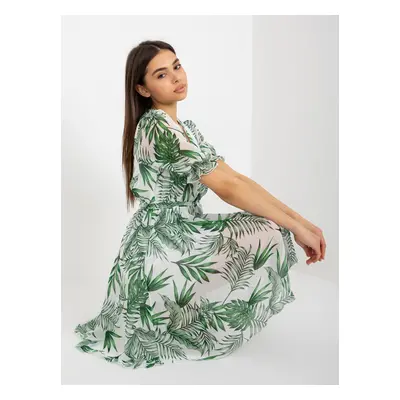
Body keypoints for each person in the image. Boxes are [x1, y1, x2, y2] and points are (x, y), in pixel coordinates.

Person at [74, 40, 326, 370]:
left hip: (180, 233)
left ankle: (180, 309)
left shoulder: (185, 129)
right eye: (162, 74)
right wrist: (295, 227)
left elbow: (237, 179)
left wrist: (302, 222)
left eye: (177, 66)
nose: (177, 77)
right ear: (143, 89)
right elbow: (228, 188)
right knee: (270, 231)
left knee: (272, 226)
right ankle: (167, 308)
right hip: (160, 245)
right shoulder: (156, 127)